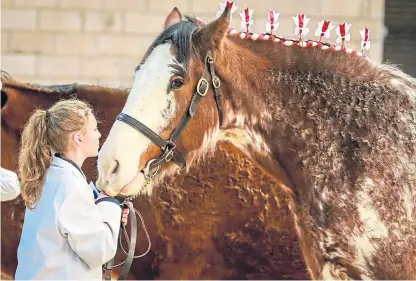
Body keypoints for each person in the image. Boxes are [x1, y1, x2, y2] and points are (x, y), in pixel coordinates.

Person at [15, 99, 129, 280]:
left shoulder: (52, 175)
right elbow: (100, 249)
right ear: (78, 138)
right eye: (94, 129)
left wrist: (105, 211)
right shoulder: (70, 185)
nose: (99, 135)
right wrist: (110, 204)